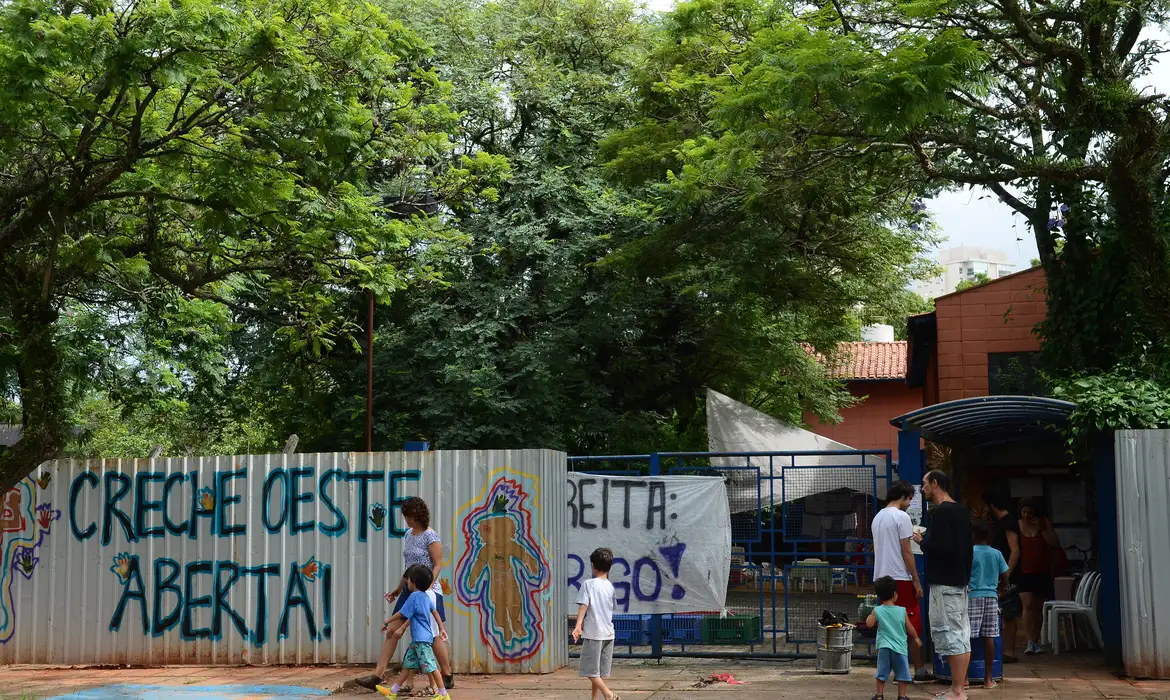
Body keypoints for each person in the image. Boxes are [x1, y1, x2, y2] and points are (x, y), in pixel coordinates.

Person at [357, 497, 453, 692]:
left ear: (419, 515)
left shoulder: (430, 536)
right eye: (405, 516)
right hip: (410, 589)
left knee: (433, 635)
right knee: (392, 631)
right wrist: (399, 588)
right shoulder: (408, 535)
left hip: (428, 592)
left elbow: (438, 564)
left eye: (410, 516)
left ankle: (447, 674)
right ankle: (377, 676)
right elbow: (409, 568)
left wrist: (427, 587)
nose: (407, 520)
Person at [912, 470, 972, 700]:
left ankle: (957, 690)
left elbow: (943, 547)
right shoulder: (960, 510)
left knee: (950, 634)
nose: (922, 489)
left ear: (935, 484)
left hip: (945, 582)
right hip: (959, 580)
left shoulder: (942, 512)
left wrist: (922, 542)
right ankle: (959, 686)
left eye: (924, 484)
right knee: (961, 633)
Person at [870, 480, 929, 681]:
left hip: (881, 576)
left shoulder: (877, 517)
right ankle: (917, 669)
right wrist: (916, 580)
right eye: (909, 499)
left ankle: (892, 669)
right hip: (900, 577)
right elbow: (907, 552)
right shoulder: (901, 517)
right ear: (904, 497)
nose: (909, 503)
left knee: (888, 625)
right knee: (911, 624)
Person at [376, 565, 450, 700]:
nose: (407, 583)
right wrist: (441, 628)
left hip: (421, 641)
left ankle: (444, 694)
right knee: (407, 666)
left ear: (413, 581)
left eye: (408, 580)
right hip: (419, 640)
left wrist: (386, 622)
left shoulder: (414, 597)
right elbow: (435, 612)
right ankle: (393, 692)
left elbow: (401, 613)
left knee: (431, 667)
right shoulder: (426, 596)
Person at [572, 548, 621, 700]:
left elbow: (583, 606)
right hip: (608, 634)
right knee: (597, 671)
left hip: (594, 634)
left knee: (588, 670)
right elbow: (612, 607)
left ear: (593, 565)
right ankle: (595, 698)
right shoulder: (610, 587)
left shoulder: (589, 584)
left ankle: (609, 694)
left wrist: (578, 625)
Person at [1017, 497, 1061, 655]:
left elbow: (1055, 543)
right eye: (1024, 512)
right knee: (1027, 605)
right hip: (1024, 571)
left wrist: (1042, 529)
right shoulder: (1018, 525)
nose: (1027, 516)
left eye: (1030, 512)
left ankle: (1036, 640)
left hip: (1041, 570)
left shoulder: (1043, 523)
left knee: (1038, 607)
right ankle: (1029, 640)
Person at [968, 519, 1009, 688]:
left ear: (973, 535)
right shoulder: (996, 553)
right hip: (992, 597)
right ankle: (988, 678)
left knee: (967, 638)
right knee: (989, 637)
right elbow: (1006, 577)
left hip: (972, 597)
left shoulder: (969, 552)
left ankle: (963, 678)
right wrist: (999, 589)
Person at [866, 575, 922, 700]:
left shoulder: (877, 610)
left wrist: (869, 615)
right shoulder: (902, 611)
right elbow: (910, 627)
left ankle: (879, 695)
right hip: (900, 648)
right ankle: (902, 696)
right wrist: (916, 638)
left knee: (882, 673)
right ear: (895, 594)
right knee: (902, 674)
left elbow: (869, 624)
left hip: (884, 647)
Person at [982, 489, 1021, 662]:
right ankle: (1004, 649)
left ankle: (1010, 651)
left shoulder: (1008, 523)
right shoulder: (1000, 522)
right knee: (1004, 612)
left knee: (1009, 613)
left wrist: (1006, 575)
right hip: (1000, 574)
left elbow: (1015, 550)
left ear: (991, 505)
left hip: (1006, 575)